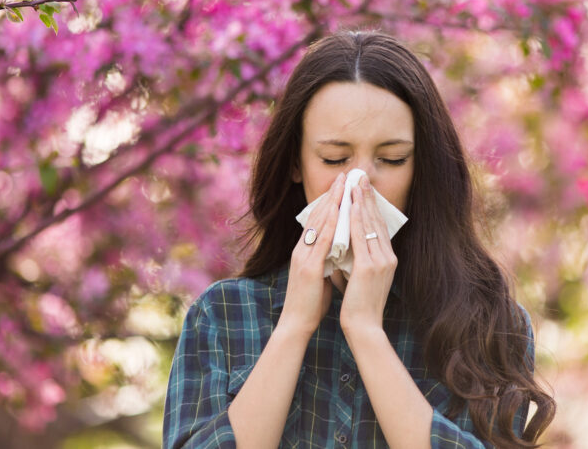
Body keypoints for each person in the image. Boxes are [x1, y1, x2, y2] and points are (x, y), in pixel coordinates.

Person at [163, 31, 555, 448]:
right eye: (334, 159)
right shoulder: (223, 315)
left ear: (420, 167)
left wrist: (366, 331)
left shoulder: (488, 325)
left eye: (392, 159)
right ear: (296, 162)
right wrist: (293, 326)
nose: (360, 183)